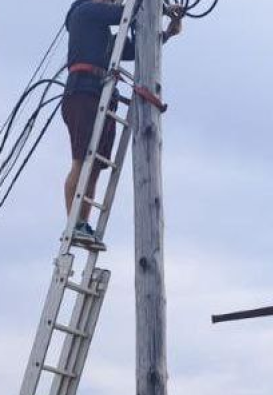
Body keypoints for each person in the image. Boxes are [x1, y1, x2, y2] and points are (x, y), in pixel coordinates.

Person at [62, 0, 183, 248]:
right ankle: (74, 224)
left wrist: (169, 30)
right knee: (82, 160)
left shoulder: (104, 36)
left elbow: (139, 46)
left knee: (95, 165)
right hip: (82, 92)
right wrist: (159, 6)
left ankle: (82, 224)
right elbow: (128, 12)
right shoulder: (84, 12)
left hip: (101, 94)